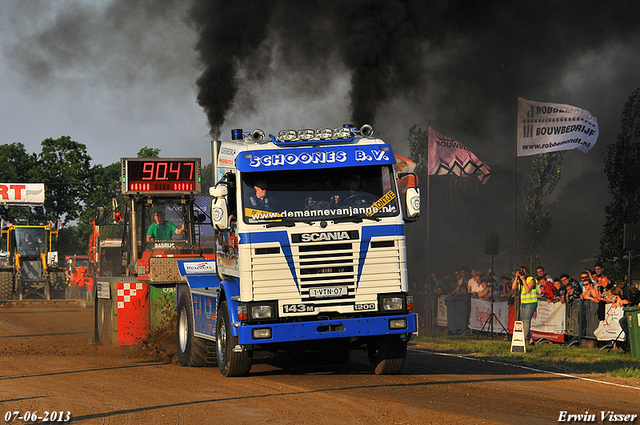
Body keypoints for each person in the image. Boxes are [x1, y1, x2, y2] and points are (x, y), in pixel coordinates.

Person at [512, 265, 537, 345]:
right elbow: (513, 287)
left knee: (526, 321)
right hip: (523, 303)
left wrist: (523, 280)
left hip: (531, 303)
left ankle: (522, 339)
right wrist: (516, 278)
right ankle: (530, 340)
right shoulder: (520, 280)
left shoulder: (531, 279)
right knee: (523, 322)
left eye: (523, 271)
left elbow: (527, 289)